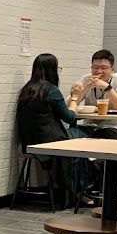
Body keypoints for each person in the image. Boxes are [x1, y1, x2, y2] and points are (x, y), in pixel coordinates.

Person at [16, 53, 87, 207]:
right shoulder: (51, 90)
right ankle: (80, 190)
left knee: (76, 137)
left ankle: (77, 190)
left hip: (29, 143)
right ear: (52, 71)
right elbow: (70, 117)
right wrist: (75, 97)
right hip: (50, 144)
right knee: (84, 137)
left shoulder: (26, 90)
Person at [69, 48, 117, 139]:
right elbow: (71, 104)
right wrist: (86, 88)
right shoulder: (86, 79)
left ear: (112, 69)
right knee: (67, 134)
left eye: (104, 68)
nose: (99, 71)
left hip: (112, 128)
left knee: (104, 137)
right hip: (88, 126)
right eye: (95, 67)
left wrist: (107, 87)